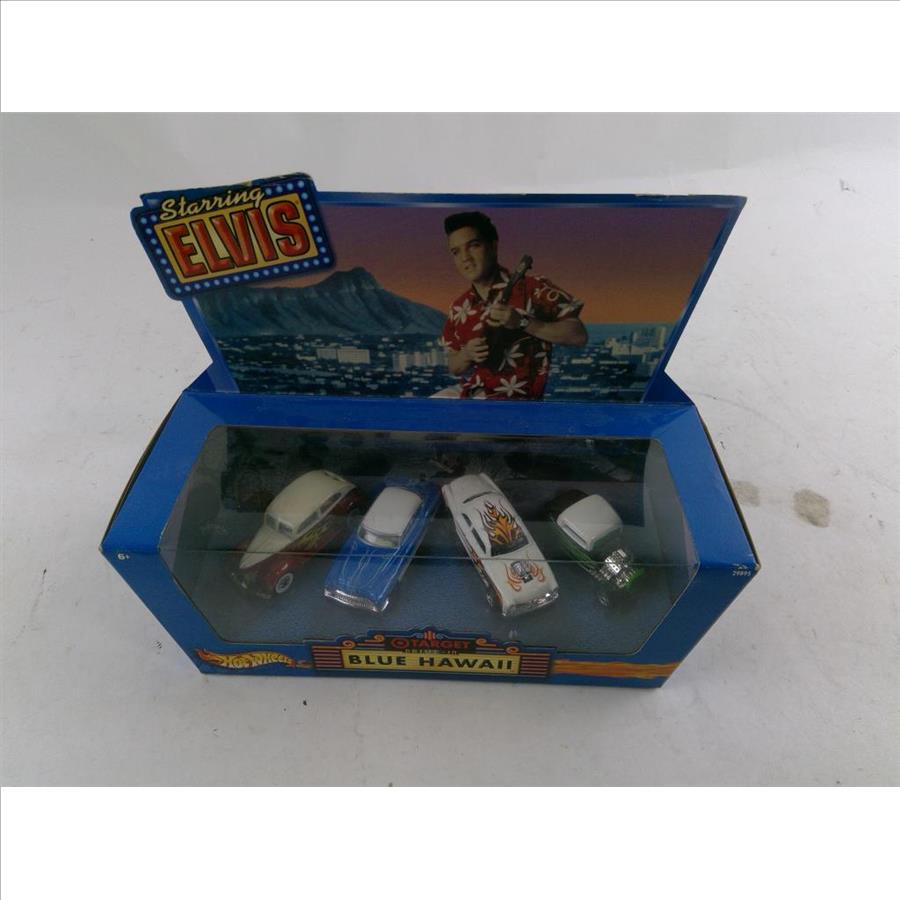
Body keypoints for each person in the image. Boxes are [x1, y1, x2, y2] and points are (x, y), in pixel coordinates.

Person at [439, 211, 587, 400]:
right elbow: (454, 366)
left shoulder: (534, 288)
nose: (464, 258)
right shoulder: (459, 307)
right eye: (456, 252)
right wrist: (466, 354)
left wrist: (523, 322)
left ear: (493, 246)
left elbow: (578, 336)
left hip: (511, 403)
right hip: (467, 394)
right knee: (418, 412)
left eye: (474, 245)